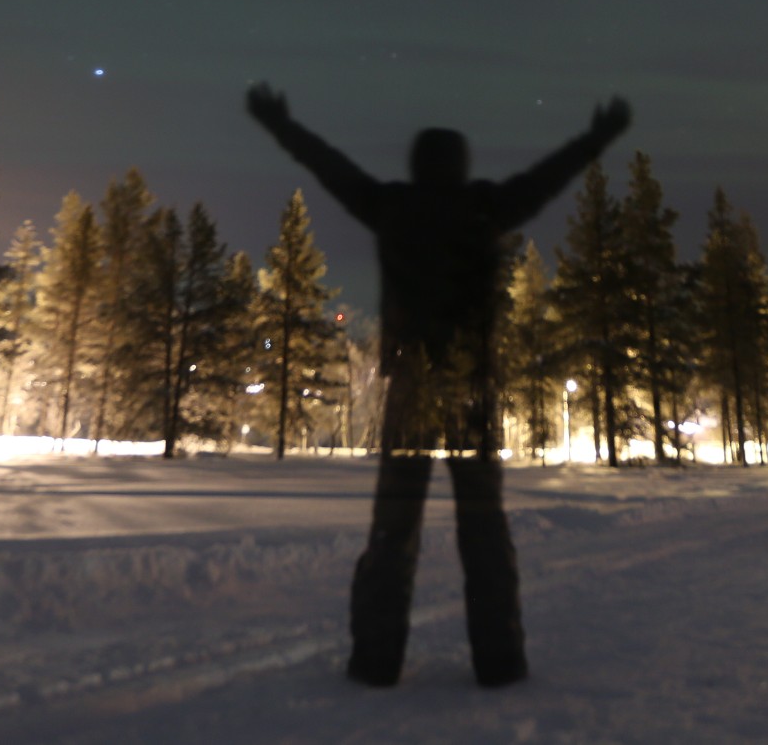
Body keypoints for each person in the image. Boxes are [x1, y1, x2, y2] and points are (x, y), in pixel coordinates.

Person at [246, 83, 631, 688]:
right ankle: (499, 661)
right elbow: (549, 177)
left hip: (411, 397)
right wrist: (599, 135)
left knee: (393, 534)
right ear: (462, 165)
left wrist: (281, 125)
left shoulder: (391, 207)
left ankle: (376, 661)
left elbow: (330, 168)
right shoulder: (486, 208)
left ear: (416, 164)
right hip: (471, 395)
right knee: (484, 534)